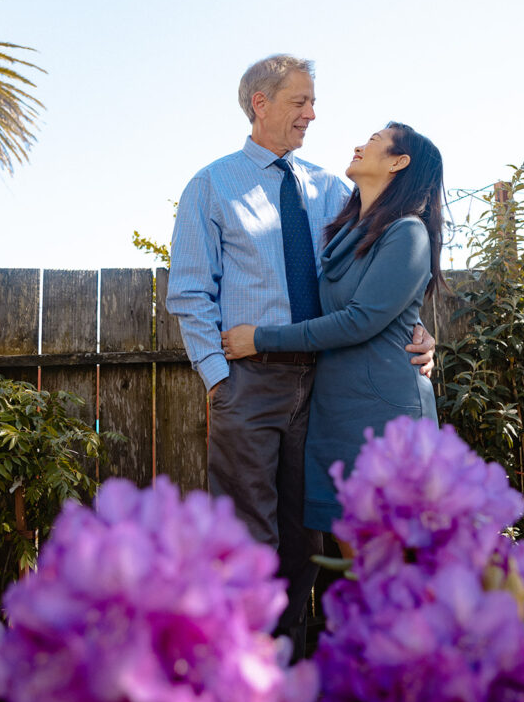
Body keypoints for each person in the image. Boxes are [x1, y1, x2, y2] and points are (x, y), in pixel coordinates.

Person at [166, 55, 435, 659]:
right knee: (248, 533)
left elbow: (376, 275)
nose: (313, 114)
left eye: (313, 102)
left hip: (326, 387)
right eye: (300, 101)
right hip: (249, 384)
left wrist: (417, 333)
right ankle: (253, 670)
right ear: (260, 103)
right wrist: (219, 379)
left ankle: (300, 661)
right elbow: (188, 292)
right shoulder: (211, 185)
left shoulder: (331, 187)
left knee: (307, 531)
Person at [222, 122, 444, 541]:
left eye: (375, 141)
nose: (360, 145)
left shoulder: (408, 232)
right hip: (337, 411)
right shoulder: (349, 230)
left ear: (399, 162)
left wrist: (260, 337)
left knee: (389, 559)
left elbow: (362, 319)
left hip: (384, 413)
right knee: (352, 553)